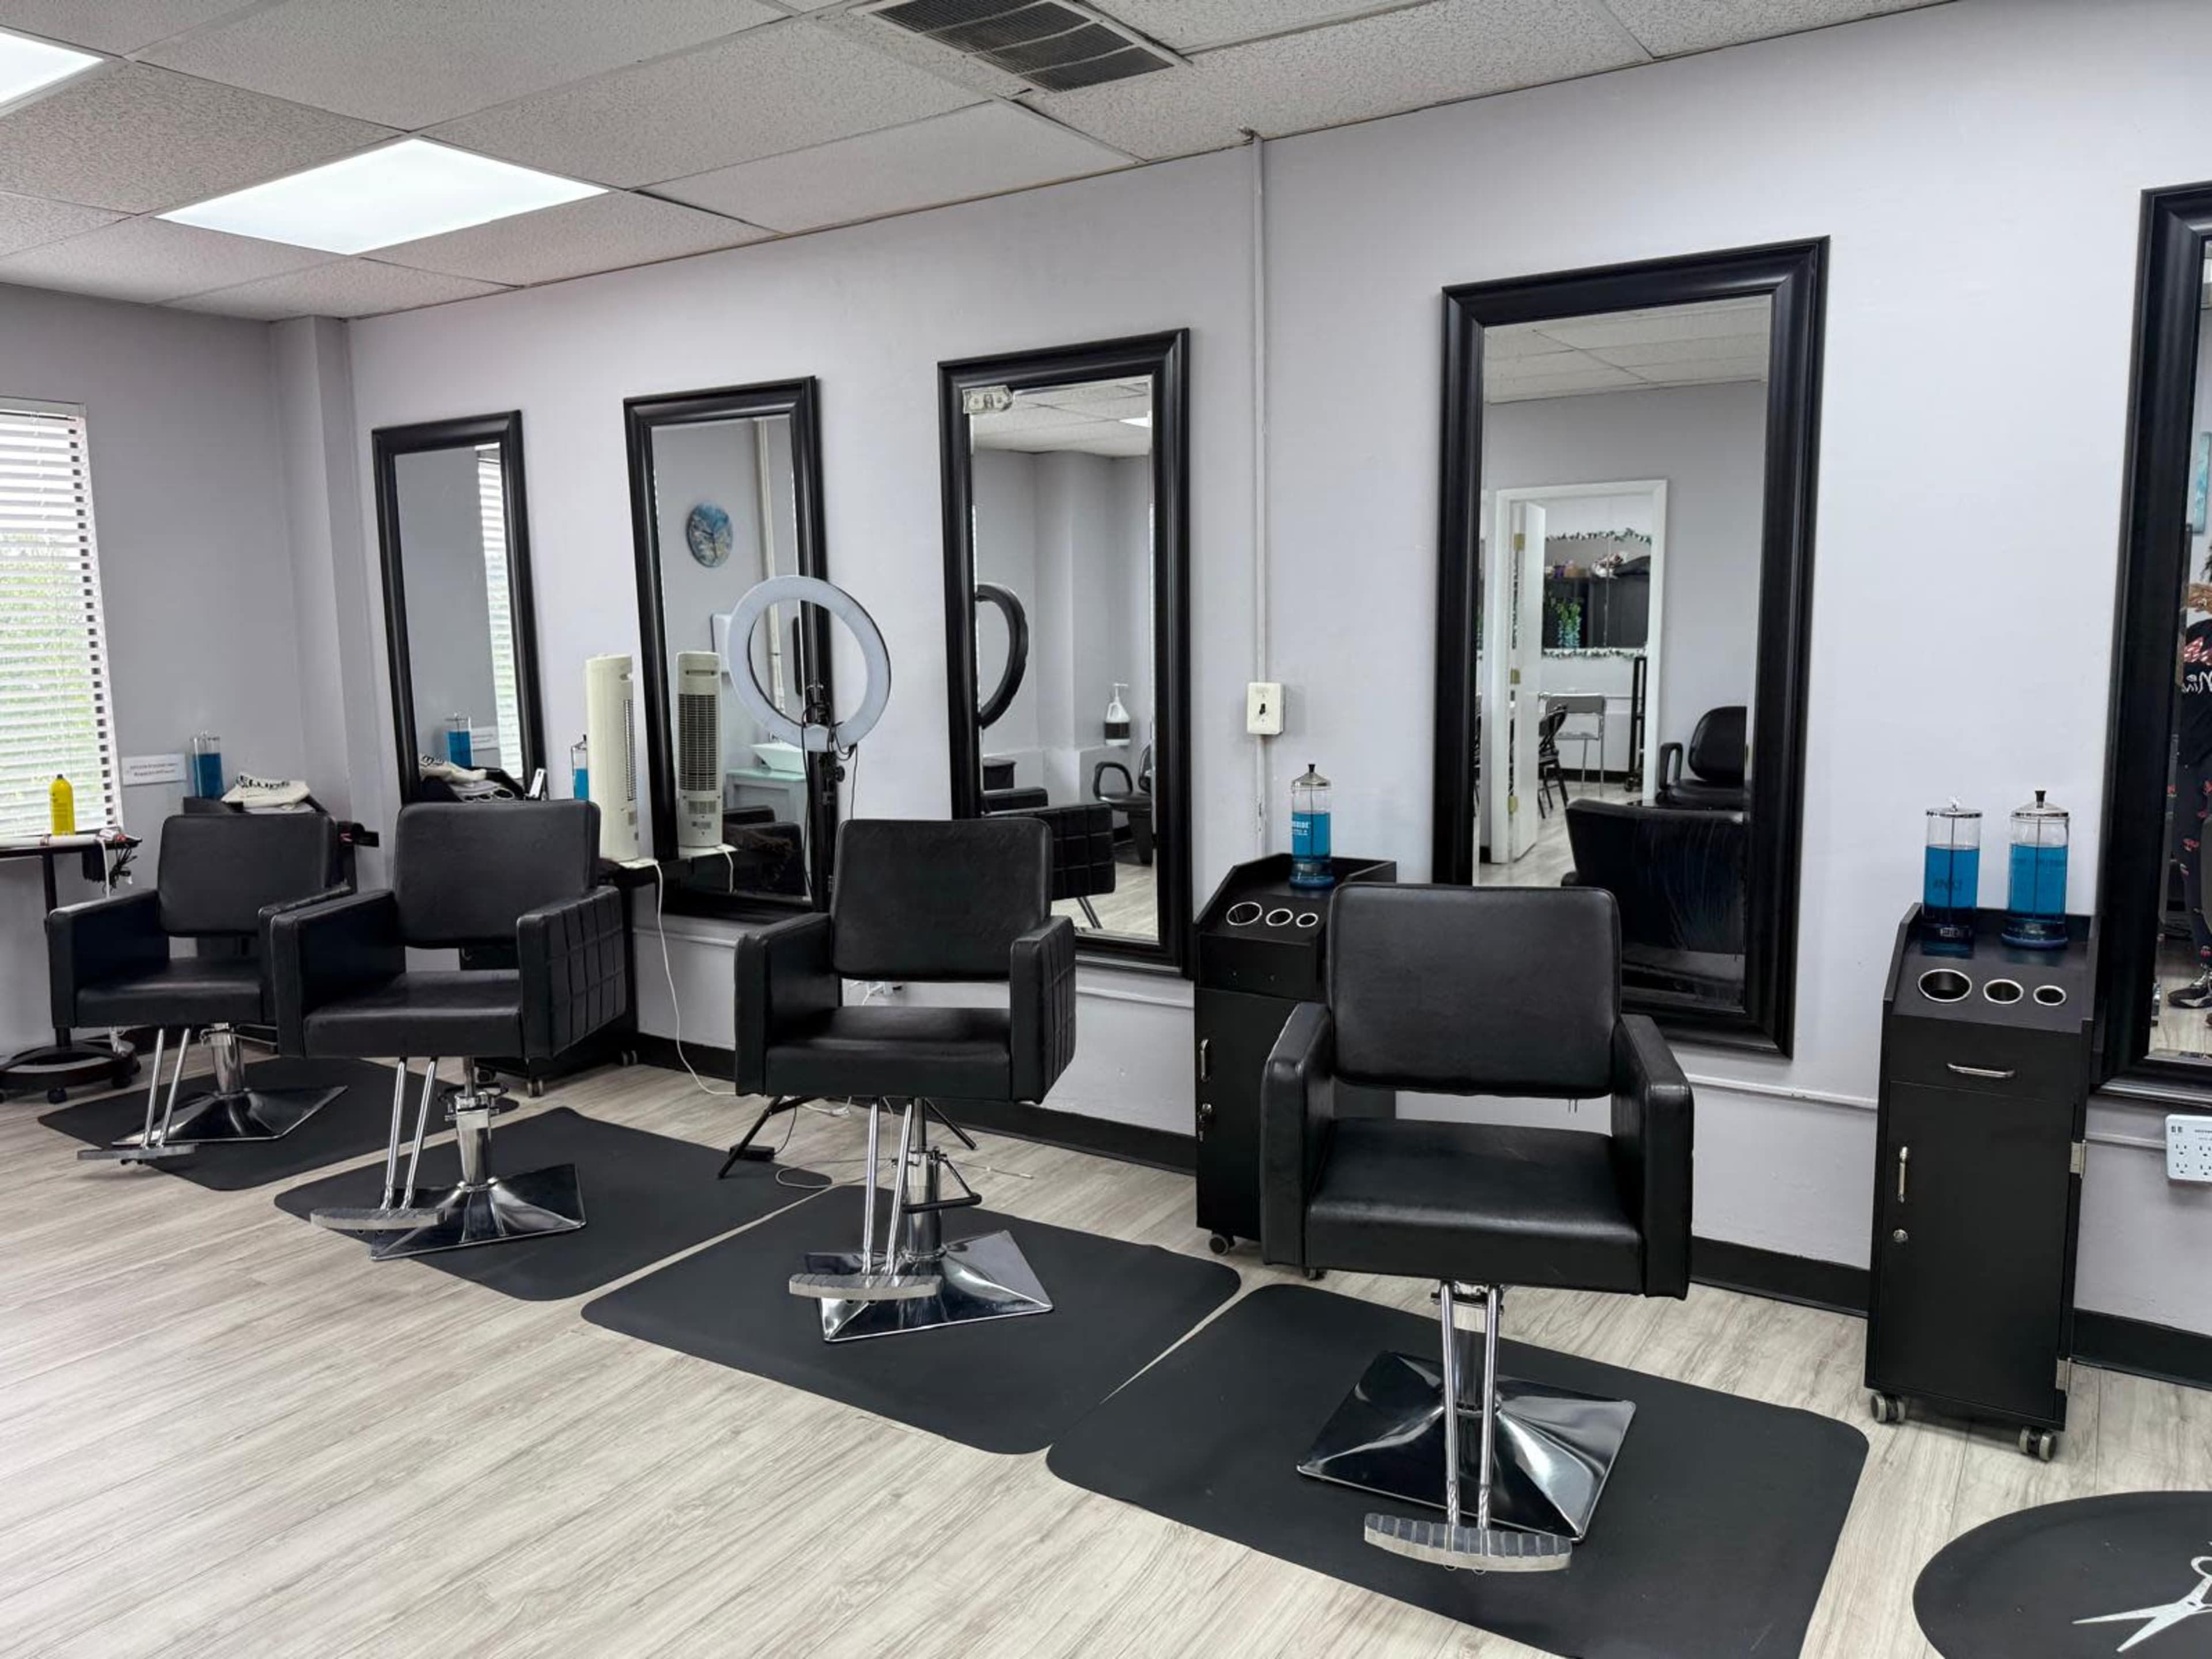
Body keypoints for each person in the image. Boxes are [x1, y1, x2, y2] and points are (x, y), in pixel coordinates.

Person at [2168, 573, 2212, 1009]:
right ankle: (2209, 973)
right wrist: (2181, 606)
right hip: (2191, 761)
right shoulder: (2197, 636)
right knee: (2192, 864)